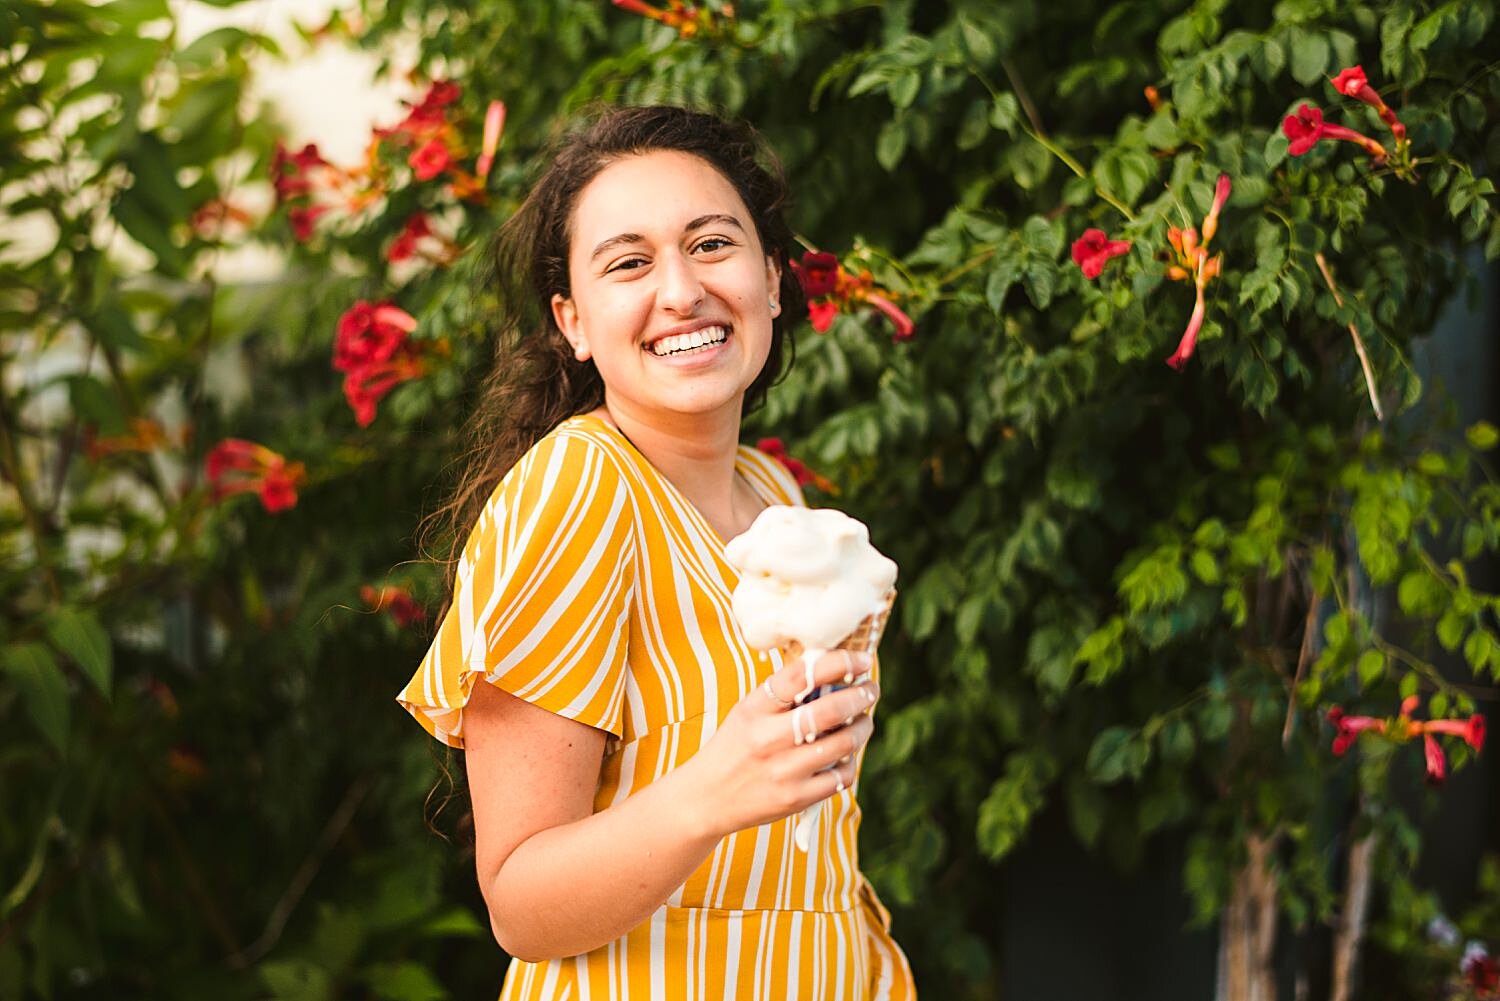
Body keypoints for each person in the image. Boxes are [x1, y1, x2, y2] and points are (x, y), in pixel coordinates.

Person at [397, 104, 915, 999]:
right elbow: (520, 900)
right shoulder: (577, 496)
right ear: (574, 322)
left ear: (774, 280)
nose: (680, 290)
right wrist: (713, 789)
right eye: (629, 263)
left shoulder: (776, 497)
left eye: (712, 244)